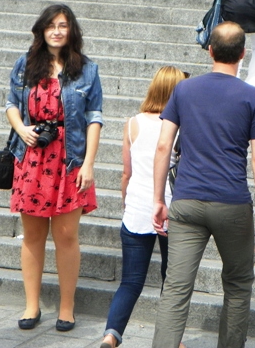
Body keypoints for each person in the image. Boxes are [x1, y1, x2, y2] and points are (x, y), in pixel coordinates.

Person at [151, 22, 255, 348]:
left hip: (186, 199)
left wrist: (158, 199)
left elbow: (164, 146)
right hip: (232, 203)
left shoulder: (184, 90)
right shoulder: (252, 97)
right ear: (243, 54)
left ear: (210, 50)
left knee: (176, 287)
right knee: (237, 284)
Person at [6, 4, 103, 333]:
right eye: (51, 26)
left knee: (66, 235)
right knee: (32, 236)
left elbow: (94, 118)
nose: (57, 31)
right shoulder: (26, 64)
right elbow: (10, 104)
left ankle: (66, 307)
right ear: (42, 30)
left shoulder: (86, 69)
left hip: (70, 158)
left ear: (71, 30)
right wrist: (21, 128)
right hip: (32, 157)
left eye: (62, 25)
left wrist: (88, 163)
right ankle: (31, 305)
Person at [99, 66, 187, 348]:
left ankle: (111, 335)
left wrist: (127, 201)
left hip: (137, 208)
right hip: (172, 210)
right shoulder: (181, 125)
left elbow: (127, 172)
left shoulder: (132, 122)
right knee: (172, 282)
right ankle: (172, 340)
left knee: (130, 281)